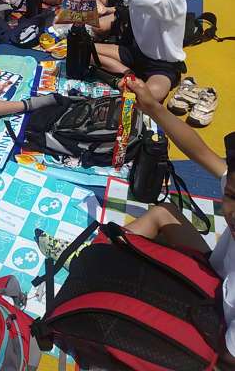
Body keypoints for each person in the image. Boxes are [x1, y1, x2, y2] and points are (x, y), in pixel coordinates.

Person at [35, 77, 235, 369]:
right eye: (231, 196)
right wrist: (153, 108)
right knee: (163, 213)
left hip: (214, 331)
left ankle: (99, 270)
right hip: (215, 278)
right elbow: (202, 153)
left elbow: (226, 360)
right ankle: (97, 255)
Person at [51, 0, 187, 102]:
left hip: (162, 66)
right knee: (79, 51)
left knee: (147, 98)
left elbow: (151, 2)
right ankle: (127, 74)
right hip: (135, 53)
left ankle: (127, 79)